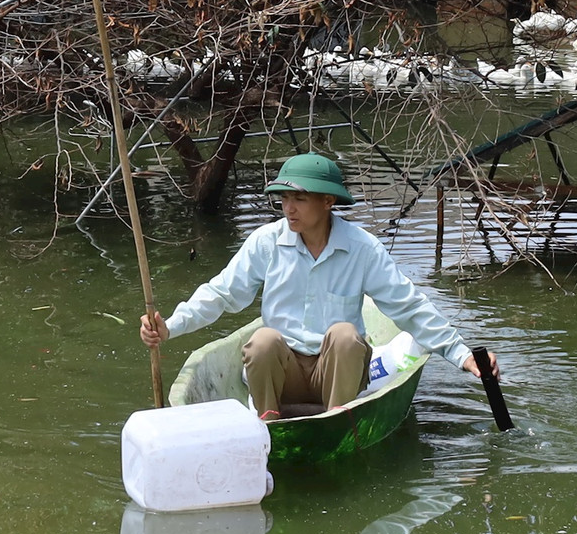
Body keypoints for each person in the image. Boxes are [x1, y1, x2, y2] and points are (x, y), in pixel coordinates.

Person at [139, 153, 501, 420]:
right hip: (283, 376)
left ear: (328, 202)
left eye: (299, 198)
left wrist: (462, 355)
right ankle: (267, 420)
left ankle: (337, 418)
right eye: (284, 199)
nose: (288, 208)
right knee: (263, 340)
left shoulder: (361, 248)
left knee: (345, 334)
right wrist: (169, 326)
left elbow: (408, 306)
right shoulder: (267, 243)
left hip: (337, 374)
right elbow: (221, 294)